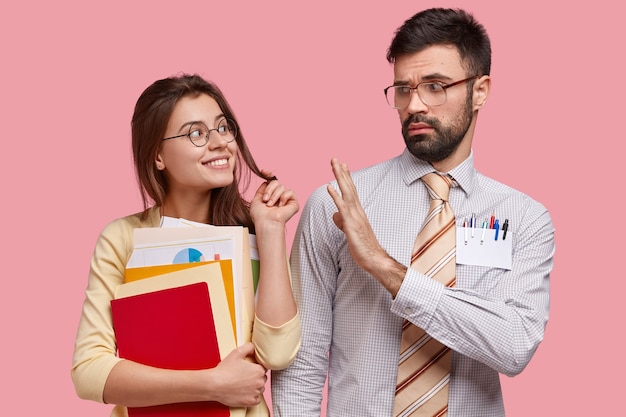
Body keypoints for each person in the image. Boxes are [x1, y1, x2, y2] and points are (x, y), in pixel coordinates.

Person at [272, 8, 555, 417]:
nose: (414, 105)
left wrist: (384, 267)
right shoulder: (337, 204)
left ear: (480, 90)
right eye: (403, 89)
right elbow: (302, 362)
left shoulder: (525, 218)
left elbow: (513, 346)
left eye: (435, 86)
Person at [71, 74, 301, 417]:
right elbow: (88, 372)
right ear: (158, 156)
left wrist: (269, 232)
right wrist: (212, 384)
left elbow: (277, 352)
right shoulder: (121, 238)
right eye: (196, 133)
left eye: (224, 128)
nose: (221, 142)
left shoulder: (257, 229)